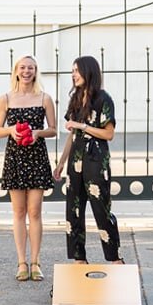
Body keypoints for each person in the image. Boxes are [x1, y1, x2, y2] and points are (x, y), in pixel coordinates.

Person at [53, 55, 121, 263]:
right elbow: (71, 135)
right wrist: (61, 162)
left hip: (96, 159)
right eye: (72, 70)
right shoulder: (75, 99)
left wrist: (83, 126)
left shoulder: (103, 98)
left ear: (88, 71)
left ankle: (115, 258)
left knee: (101, 208)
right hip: (75, 160)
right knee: (73, 209)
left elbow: (108, 134)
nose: (73, 74)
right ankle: (79, 259)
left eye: (77, 70)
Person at [0, 55, 56, 281]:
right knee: (18, 212)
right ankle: (22, 263)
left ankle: (36, 262)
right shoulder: (6, 99)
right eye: (23, 67)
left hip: (37, 157)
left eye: (31, 67)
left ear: (36, 71)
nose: (27, 71)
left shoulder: (44, 99)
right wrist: (11, 130)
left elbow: (54, 129)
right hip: (15, 158)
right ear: (16, 71)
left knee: (35, 211)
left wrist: (37, 132)